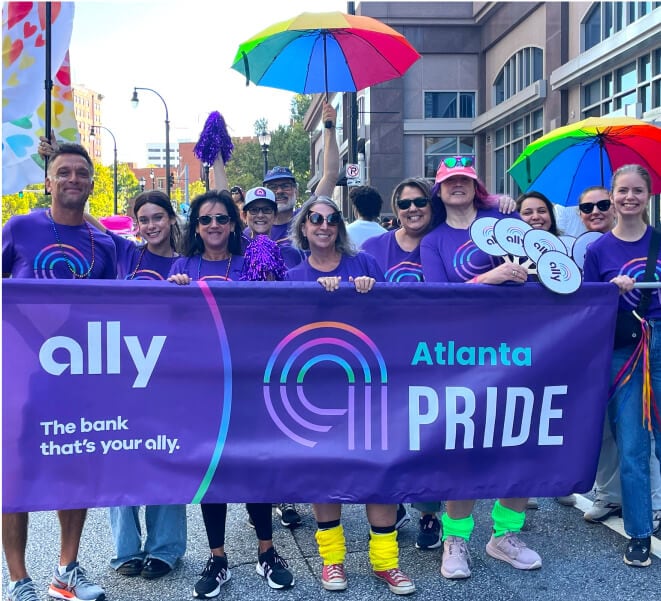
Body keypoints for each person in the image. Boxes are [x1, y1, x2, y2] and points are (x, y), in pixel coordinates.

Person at [167, 190, 294, 595]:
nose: (215, 225)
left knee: (256, 464)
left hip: (250, 379)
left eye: (222, 218)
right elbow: (167, 320)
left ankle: (267, 551)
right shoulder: (183, 265)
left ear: (233, 224)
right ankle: (217, 556)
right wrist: (175, 292)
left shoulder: (250, 262)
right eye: (205, 220)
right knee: (215, 468)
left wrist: (272, 283)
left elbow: (277, 309)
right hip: (204, 384)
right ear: (196, 227)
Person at [2, 143, 114, 601]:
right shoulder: (20, 228)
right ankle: (17, 579)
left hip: (80, 377)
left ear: (91, 183)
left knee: (77, 469)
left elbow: (123, 309)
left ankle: (66, 572)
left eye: (80, 173)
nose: (72, 179)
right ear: (47, 181)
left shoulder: (102, 244)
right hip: (21, 375)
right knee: (16, 473)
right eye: (62, 172)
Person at [287, 195, 415, 595]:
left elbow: (394, 316)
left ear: (340, 226)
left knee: (380, 473)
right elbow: (285, 336)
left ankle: (386, 563)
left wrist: (369, 291)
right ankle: (332, 561)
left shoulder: (365, 265)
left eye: (330, 219)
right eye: (314, 219)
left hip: (370, 386)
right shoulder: (293, 278)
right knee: (324, 474)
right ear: (303, 228)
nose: (323, 225)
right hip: (316, 391)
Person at [420, 156, 541, 580]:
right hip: (462, 354)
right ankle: (456, 539)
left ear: (476, 186)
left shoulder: (504, 219)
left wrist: (515, 211)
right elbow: (437, 296)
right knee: (463, 447)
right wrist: (489, 279)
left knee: (520, 438)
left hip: (518, 349)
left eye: (465, 180)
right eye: (450, 181)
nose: (458, 186)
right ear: (440, 190)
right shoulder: (433, 241)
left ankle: (505, 534)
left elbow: (541, 266)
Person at [583, 164, 661, 567]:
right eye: (622, 191)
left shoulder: (660, 241)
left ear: (649, 196)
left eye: (637, 191)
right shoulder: (597, 251)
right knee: (631, 444)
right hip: (623, 351)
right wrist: (610, 293)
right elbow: (589, 310)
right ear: (612, 196)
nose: (629, 197)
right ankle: (640, 532)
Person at [262, 103, 339, 247]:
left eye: (285, 186)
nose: (279, 191)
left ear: (296, 190)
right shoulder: (254, 229)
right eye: (273, 187)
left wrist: (330, 129)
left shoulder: (306, 217)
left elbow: (330, 175)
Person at [242, 186, 305, 271]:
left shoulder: (289, 254)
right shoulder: (236, 250)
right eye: (254, 210)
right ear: (245, 216)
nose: (260, 215)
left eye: (267, 209)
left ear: (275, 216)